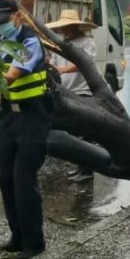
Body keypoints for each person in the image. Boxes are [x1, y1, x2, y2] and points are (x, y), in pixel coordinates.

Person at [0, 0, 53, 259]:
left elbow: (13, 73)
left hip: (33, 119)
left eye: (4, 21)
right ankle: (16, 236)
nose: (1, 27)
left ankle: (34, 244)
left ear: (18, 17)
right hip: (11, 119)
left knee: (23, 182)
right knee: (5, 180)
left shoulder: (29, 41)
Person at [46, 9, 97, 182]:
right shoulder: (61, 44)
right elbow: (54, 63)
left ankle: (87, 171)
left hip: (82, 91)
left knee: (84, 134)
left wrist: (62, 69)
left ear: (75, 26)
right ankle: (79, 168)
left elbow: (85, 63)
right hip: (66, 91)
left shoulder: (87, 43)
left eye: (68, 27)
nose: (65, 31)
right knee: (74, 135)